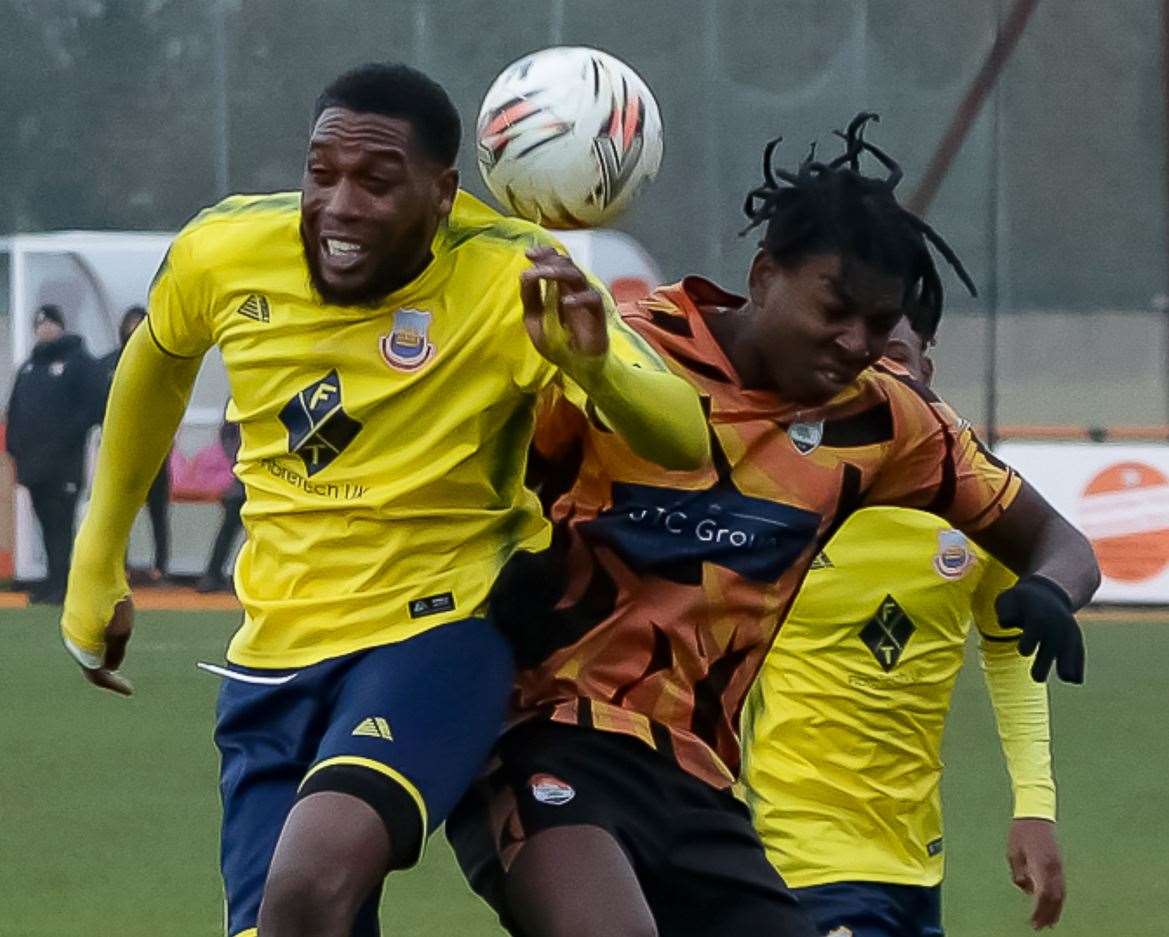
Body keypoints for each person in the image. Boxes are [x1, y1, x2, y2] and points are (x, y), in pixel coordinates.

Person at [59, 62, 708, 937]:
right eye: (321, 174)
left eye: (376, 181)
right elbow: (157, 361)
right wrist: (94, 563)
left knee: (310, 879)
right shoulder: (224, 249)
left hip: (438, 636)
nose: (340, 206)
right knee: (291, 922)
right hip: (270, 665)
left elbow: (682, 435)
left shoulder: (509, 277)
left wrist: (591, 364)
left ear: (442, 193)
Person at [445, 115, 1098, 937]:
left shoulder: (883, 419)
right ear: (762, 275)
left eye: (878, 323)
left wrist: (1047, 589)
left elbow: (1058, 541)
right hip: (542, 734)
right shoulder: (620, 352)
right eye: (835, 309)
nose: (855, 343)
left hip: (696, 780)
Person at [740, 317, 1064, 937]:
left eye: (893, 356)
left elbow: (1009, 652)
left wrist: (1035, 805)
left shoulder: (975, 507)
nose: (877, 375)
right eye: (857, 360)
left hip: (917, 862)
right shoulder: (780, 496)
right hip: (799, 855)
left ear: (925, 373)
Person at [6, 303, 99, 604]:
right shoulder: (30, 367)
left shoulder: (79, 362)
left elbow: (91, 407)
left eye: (50, 324)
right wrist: (16, 446)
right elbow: (16, 409)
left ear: (60, 326)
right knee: (45, 522)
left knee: (62, 522)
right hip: (34, 463)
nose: (45, 329)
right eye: (40, 325)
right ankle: (51, 581)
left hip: (64, 463)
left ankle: (65, 583)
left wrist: (64, 438)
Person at [98, 305, 171, 583]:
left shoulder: (162, 362)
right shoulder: (110, 365)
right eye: (131, 324)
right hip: (120, 451)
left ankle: (160, 566)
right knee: (119, 511)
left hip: (155, 448)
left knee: (158, 510)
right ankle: (119, 565)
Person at [196, 416, 244, 593]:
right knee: (228, 529)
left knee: (258, 533)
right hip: (243, 478)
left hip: (264, 477)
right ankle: (212, 575)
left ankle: (248, 580)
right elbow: (227, 432)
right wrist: (238, 457)